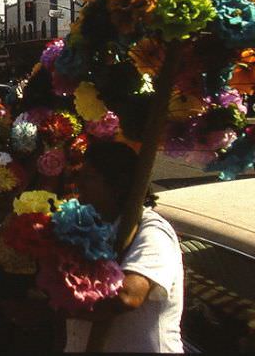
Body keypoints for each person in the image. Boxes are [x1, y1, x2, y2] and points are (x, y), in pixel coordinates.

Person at [65, 141, 183, 353]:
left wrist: (57, 308)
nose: (78, 185)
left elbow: (127, 297)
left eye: (89, 178)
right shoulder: (88, 226)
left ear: (117, 185)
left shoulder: (152, 230)